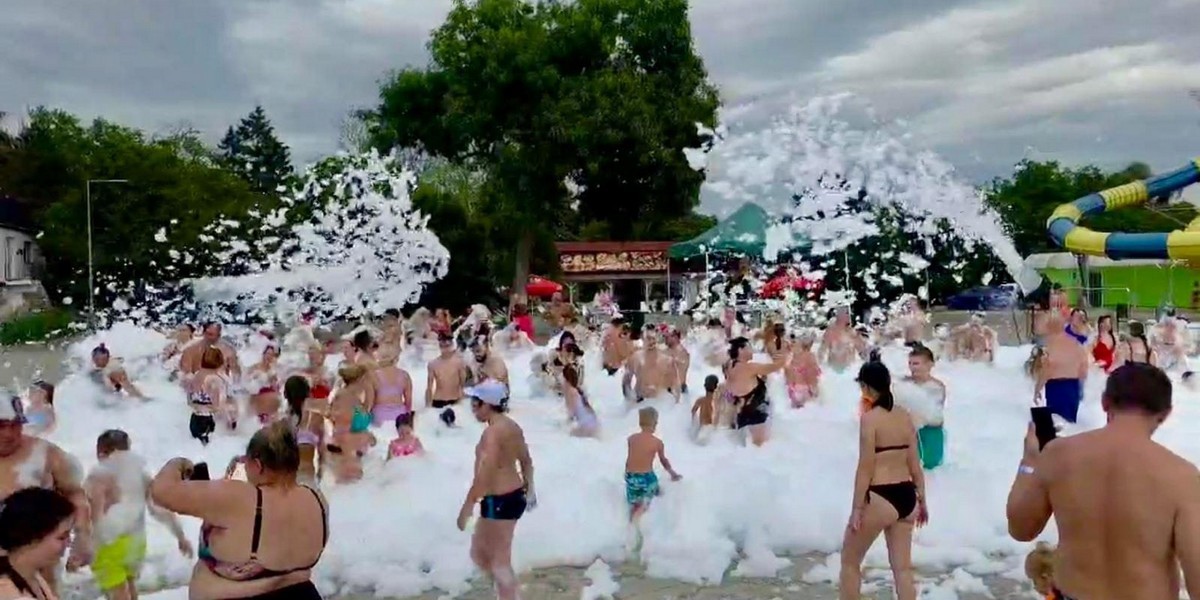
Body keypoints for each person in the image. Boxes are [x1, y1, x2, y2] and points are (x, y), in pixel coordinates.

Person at [1006, 363, 1200, 600]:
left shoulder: (1058, 454)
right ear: (1166, 413)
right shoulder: (1181, 477)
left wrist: (1028, 462)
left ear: (1105, 402)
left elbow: (1020, 529)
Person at [150, 421, 328, 600]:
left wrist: (178, 463)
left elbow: (161, 491)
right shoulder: (316, 498)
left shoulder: (241, 498)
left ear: (258, 465)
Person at [839, 361, 928, 600]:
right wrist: (922, 499)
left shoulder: (870, 419)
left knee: (849, 562)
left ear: (867, 387)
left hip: (880, 496)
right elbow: (915, 462)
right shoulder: (904, 416)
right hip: (907, 496)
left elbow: (865, 467)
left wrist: (857, 508)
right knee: (902, 570)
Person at [84, 430, 192, 600]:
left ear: (101, 453)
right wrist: (180, 536)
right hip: (136, 544)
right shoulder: (140, 475)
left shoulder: (97, 478)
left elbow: (87, 514)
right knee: (130, 587)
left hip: (108, 545)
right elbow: (159, 509)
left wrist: (82, 545)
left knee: (117, 593)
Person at [0, 395, 92, 589]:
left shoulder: (43, 453)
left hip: (41, 566)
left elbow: (75, 493)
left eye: (16, 425)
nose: (9, 434)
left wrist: (82, 535)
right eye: (1, 426)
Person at [456, 380, 535, 600]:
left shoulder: (491, 434)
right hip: (512, 496)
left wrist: (467, 506)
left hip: (499, 500)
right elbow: (526, 461)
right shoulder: (512, 426)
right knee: (480, 554)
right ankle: (505, 593)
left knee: (498, 561)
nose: (472, 408)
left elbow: (486, 472)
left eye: (475, 403)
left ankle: (509, 595)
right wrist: (530, 490)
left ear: (487, 404)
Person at [0, 487, 76, 600]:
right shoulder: (8, 592)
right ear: (31, 539)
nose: (68, 543)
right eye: (61, 537)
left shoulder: (32, 575)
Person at [625, 407, 681, 522]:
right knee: (653, 486)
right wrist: (673, 474)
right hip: (645, 478)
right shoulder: (657, 442)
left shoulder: (631, 439)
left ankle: (635, 502)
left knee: (634, 495)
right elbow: (663, 461)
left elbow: (632, 458)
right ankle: (641, 508)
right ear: (655, 423)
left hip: (630, 477)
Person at [1035, 313, 1089, 424]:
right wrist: (1081, 388)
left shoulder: (1052, 345)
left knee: (1052, 426)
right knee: (1070, 426)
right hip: (1073, 388)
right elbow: (1084, 369)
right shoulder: (1076, 342)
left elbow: (1047, 370)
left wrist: (1037, 389)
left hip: (1056, 388)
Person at [690, 375, 720, 443]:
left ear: (704, 386)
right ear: (717, 388)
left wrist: (694, 425)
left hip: (703, 428)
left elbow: (693, 412)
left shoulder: (700, 400)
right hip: (713, 429)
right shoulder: (718, 402)